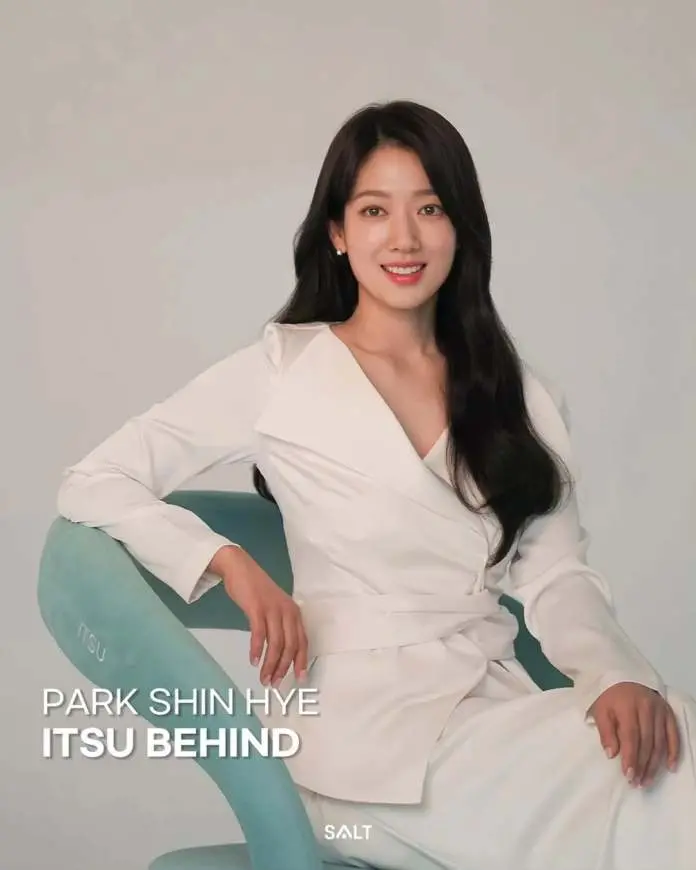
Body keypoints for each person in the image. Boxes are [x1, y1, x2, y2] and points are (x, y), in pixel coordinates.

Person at [56, 100, 696, 870]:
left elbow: (558, 574)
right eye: (374, 210)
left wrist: (616, 675)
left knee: (672, 748)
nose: (404, 237)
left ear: (462, 227)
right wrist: (227, 564)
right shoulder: (283, 371)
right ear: (337, 232)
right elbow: (95, 479)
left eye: (430, 208)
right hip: (356, 750)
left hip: (492, 721)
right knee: (661, 791)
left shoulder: (518, 396)